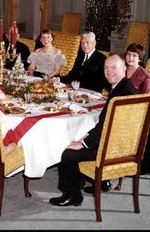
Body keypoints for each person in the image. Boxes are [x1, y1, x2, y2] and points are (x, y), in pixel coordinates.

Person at [49, 53, 136, 207]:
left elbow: (108, 126)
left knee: (68, 152)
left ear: (124, 68)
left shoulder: (122, 94)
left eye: (114, 68)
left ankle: (72, 195)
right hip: (117, 142)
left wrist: (84, 143)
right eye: (106, 68)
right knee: (77, 138)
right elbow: (107, 123)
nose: (109, 72)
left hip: (112, 149)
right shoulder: (124, 87)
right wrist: (85, 138)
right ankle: (83, 182)